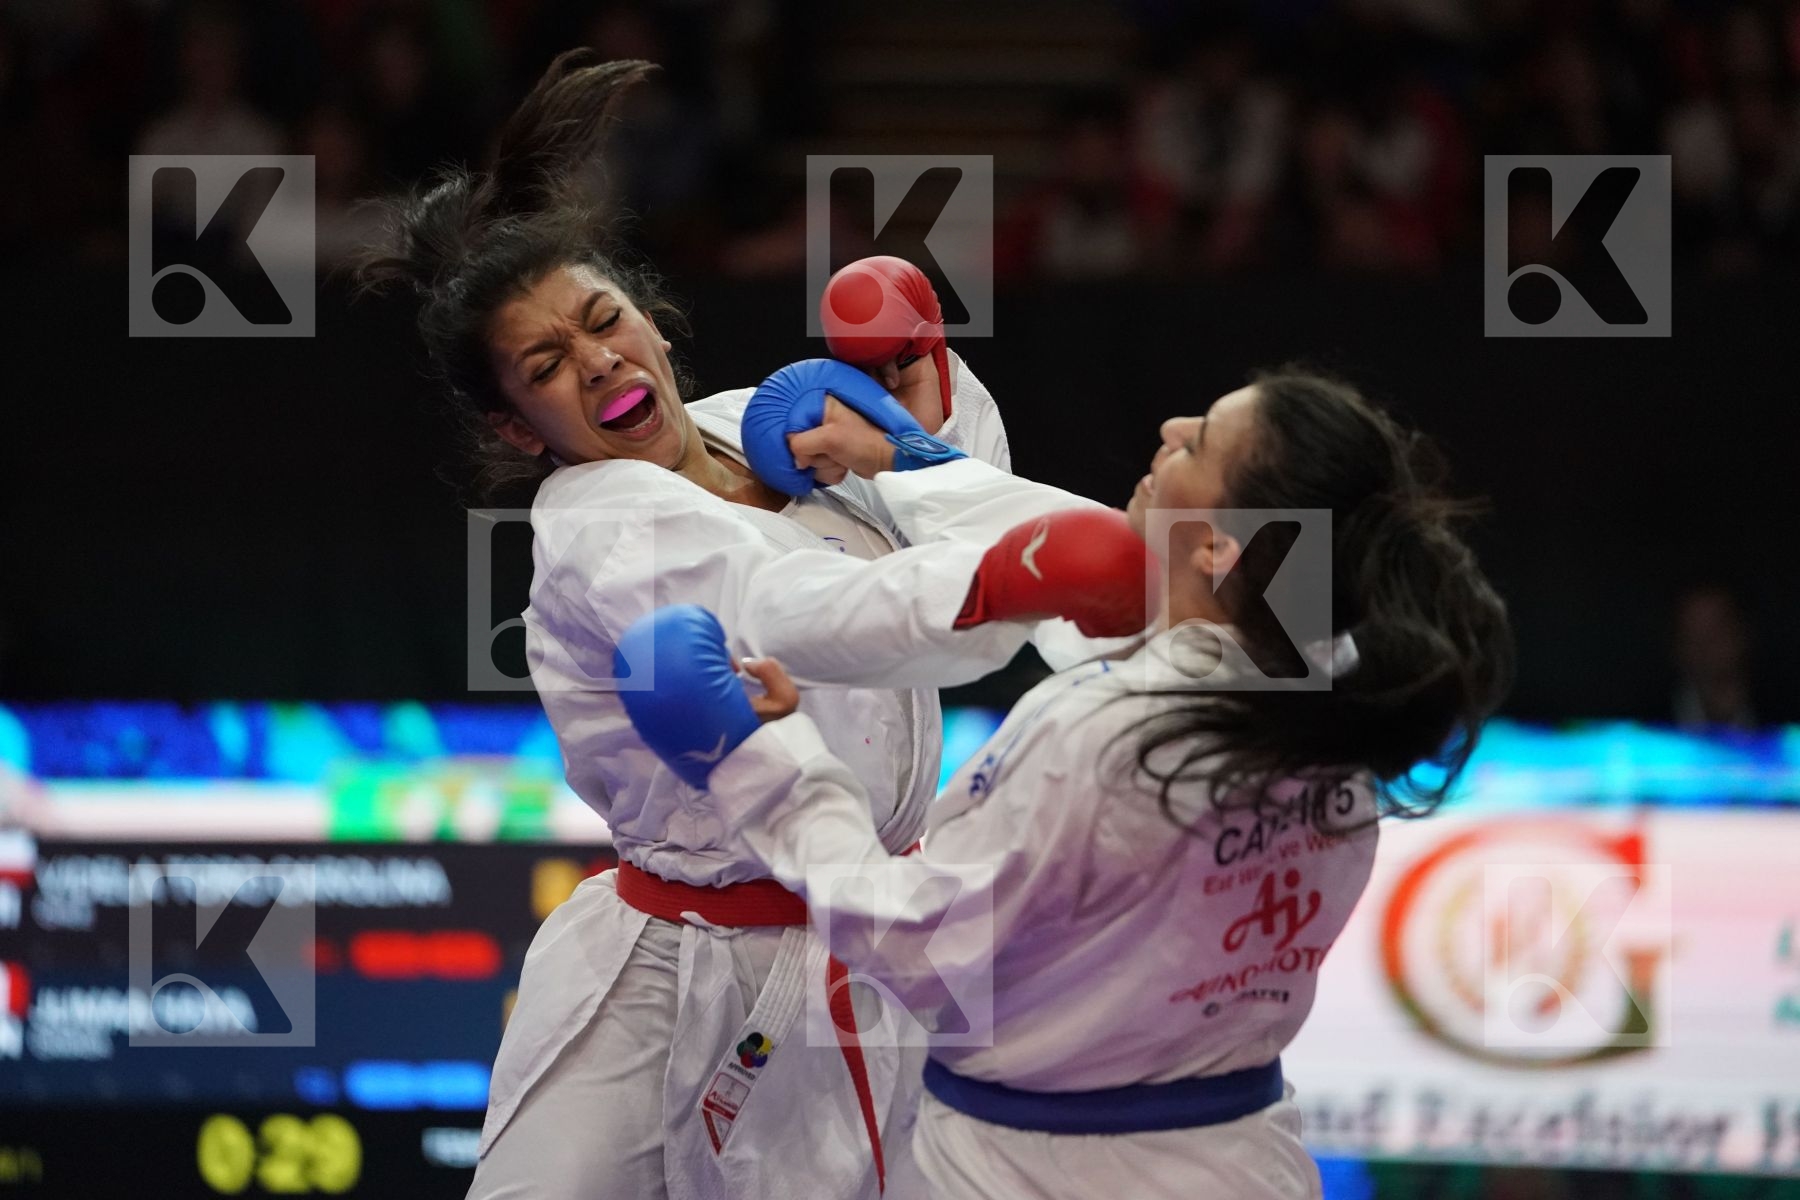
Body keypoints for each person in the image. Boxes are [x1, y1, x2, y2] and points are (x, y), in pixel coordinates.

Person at [357, 50, 1145, 1200]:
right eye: (548, 364)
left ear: (656, 325)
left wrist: (926, 399)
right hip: (671, 958)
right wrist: (1008, 586)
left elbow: (957, 503)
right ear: (522, 429)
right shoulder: (601, 525)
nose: (598, 360)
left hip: (875, 930)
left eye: (603, 320)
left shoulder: (765, 421)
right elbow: (827, 615)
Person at [617, 368, 1516, 1199]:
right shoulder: (1333, 691)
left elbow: (916, 943)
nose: (1168, 426)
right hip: (1245, 1157)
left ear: (1217, 551)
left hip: (1039, 1172)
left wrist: (755, 761)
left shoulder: (1110, 732)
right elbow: (1095, 573)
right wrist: (911, 461)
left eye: (1197, 442)